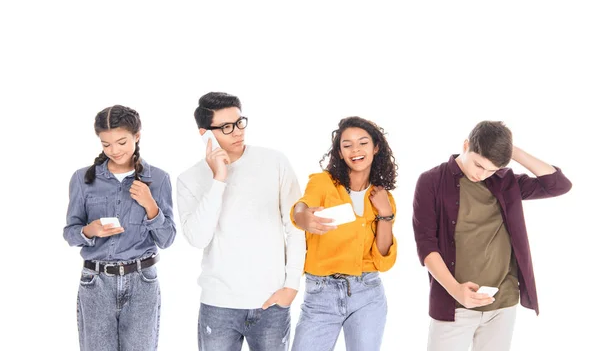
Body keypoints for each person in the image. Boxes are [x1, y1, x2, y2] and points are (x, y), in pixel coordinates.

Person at [412, 120, 572, 351]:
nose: (483, 174)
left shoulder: (504, 181)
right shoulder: (431, 181)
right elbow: (426, 245)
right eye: (479, 165)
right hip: (453, 303)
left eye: (492, 169)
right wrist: (455, 290)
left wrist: (510, 150)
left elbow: (559, 185)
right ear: (466, 145)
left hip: (502, 301)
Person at [177, 92, 306, 351]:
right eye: (226, 127)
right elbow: (197, 238)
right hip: (219, 305)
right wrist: (218, 179)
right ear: (205, 133)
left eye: (239, 122)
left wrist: (292, 285)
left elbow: (295, 227)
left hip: (271, 302)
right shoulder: (189, 179)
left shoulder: (275, 162)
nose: (237, 132)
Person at [63, 105, 176, 351]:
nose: (114, 151)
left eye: (122, 142)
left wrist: (150, 205)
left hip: (142, 282)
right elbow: (70, 233)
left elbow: (167, 239)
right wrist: (89, 230)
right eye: (106, 144)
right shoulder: (83, 179)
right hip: (96, 282)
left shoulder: (158, 179)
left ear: (137, 136)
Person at [291, 116, 398, 351]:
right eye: (347, 145)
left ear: (376, 147)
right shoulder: (323, 183)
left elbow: (382, 259)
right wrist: (302, 217)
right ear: (339, 152)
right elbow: (302, 206)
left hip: (367, 294)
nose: (355, 150)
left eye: (363, 143)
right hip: (321, 294)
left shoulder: (383, 198)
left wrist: (386, 214)